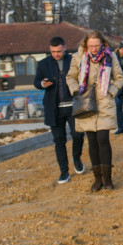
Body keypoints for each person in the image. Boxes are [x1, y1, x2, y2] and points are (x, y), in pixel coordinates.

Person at [66, 31, 123, 192]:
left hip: (104, 103)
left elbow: (120, 78)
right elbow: (70, 77)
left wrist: (111, 91)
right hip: (85, 104)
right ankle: (97, 178)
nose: (94, 48)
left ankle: (107, 177)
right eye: (91, 45)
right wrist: (77, 90)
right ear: (86, 45)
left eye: (97, 45)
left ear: (102, 44)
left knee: (103, 139)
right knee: (92, 141)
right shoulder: (78, 57)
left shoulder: (109, 56)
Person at [34, 36, 85, 184]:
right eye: (53, 51)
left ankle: (77, 158)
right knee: (59, 141)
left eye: (58, 51)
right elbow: (37, 81)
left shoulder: (74, 60)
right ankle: (64, 172)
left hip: (74, 105)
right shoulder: (44, 64)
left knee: (78, 135)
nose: (56, 54)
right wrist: (42, 84)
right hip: (54, 109)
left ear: (65, 48)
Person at [113, 42, 123, 135]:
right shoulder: (114, 58)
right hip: (118, 86)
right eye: (121, 49)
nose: (122, 51)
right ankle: (120, 127)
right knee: (118, 107)